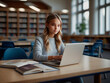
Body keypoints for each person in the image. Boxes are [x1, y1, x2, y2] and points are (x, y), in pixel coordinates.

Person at [33, 13, 83, 83]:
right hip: (45, 70)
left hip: (57, 69)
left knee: (77, 76)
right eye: (53, 25)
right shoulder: (39, 39)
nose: (56, 28)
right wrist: (55, 57)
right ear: (47, 24)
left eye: (58, 25)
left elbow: (66, 53)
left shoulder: (58, 39)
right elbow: (36, 56)